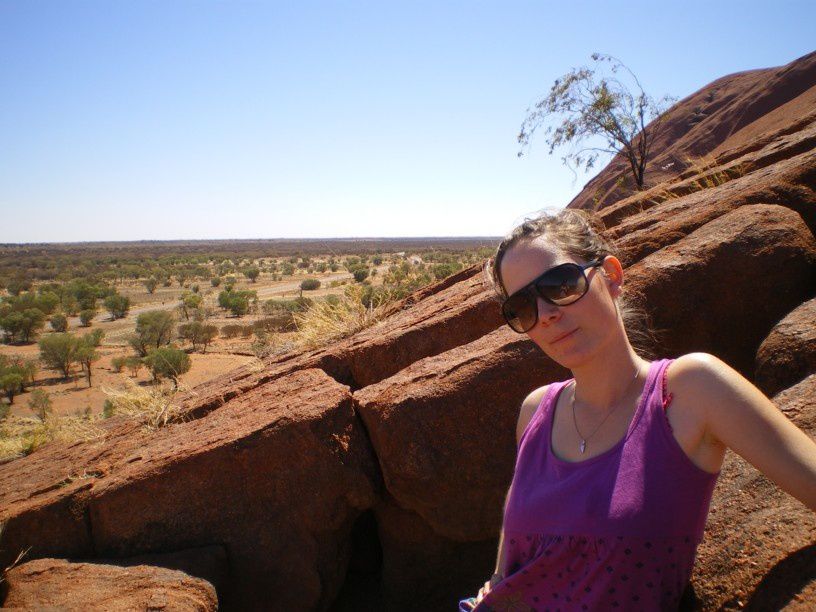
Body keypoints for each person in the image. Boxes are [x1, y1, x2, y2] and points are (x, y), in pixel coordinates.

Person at [458, 209, 816, 611]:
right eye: (522, 308)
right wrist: (495, 580)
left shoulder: (690, 390)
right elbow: (515, 533)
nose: (546, 315)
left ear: (611, 275)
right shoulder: (537, 409)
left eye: (559, 284)